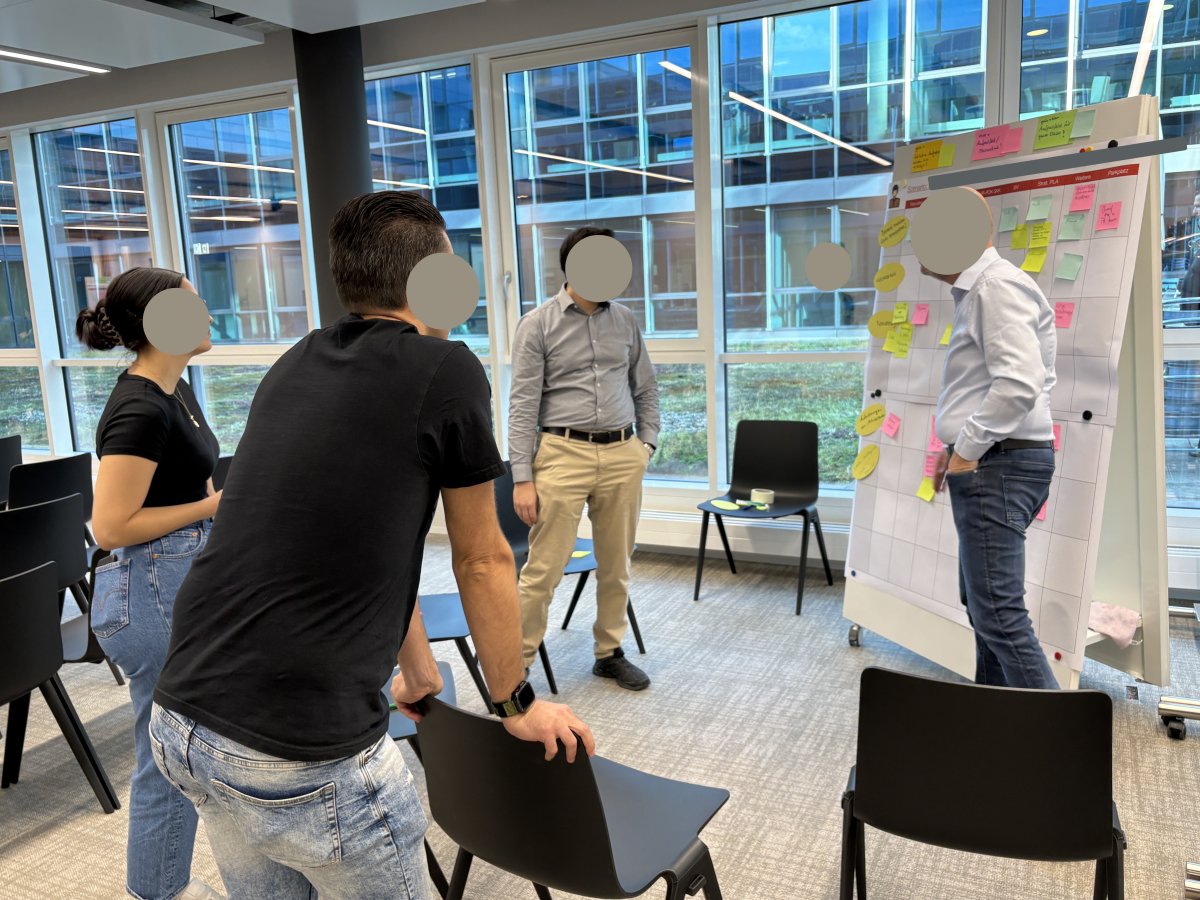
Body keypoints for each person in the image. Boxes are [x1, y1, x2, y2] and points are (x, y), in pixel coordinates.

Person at [148, 191, 594, 900]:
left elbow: (366, 543)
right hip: (298, 752)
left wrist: (415, 669)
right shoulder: (445, 369)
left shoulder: (297, 360)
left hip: (182, 720)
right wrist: (515, 704)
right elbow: (482, 559)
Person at [79, 267, 223, 900]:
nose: (208, 313)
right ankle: (155, 891)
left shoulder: (175, 388)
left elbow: (189, 482)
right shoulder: (140, 407)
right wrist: (212, 507)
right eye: (194, 304)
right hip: (148, 592)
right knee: (166, 760)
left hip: (178, 579)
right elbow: (111, 526)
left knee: (185, 750)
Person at [509, 225, 661, 691]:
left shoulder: (626, 320)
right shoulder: (537, 324)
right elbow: (522, 405)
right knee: (544, 568)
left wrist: (646, 445)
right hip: (562, 452)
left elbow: (645, 387)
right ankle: (514, 667)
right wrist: (522, 477)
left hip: (622, 452)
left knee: (617, 563)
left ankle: (609, 653)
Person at [927, 191, 1058, 689]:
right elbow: (991, 385)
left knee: (999, 615)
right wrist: (954, 449)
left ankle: (1056, 733)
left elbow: (1019, 384)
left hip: (998, 464)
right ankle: (997, 718)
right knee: (984, 608)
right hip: (994, 459)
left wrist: (966, 450)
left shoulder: (994, 287)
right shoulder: (981, 290)